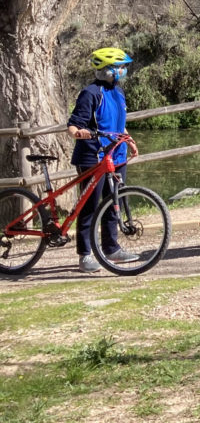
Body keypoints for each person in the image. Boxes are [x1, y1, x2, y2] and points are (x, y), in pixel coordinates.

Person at [66, 48, 142, 273]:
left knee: (114, 203)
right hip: (93, 157)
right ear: (108, 70)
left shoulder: (118, 92)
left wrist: (128, 139)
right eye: (120, 67)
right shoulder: (90, 93)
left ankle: (112, 248)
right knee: (89, 206)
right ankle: (85, 255)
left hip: (116, 155)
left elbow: (118, 122)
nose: (123, 70)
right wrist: (78, 133)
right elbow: (73, 124)